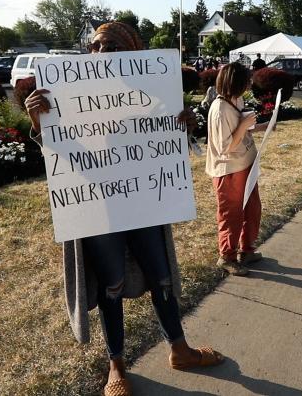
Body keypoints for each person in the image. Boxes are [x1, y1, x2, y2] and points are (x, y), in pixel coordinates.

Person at [24, 22, 223, 396]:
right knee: (110, 283)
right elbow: (63, 151)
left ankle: (179, 349)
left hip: (142, 201)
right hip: (98, 205)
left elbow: (167, 145)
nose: (102, 53)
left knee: (161, 275)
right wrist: (41, 121)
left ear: (132, 51)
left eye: (113, 46)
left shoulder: (154, 93)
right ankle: (116, 366)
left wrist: (184, 124)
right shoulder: (69, 92)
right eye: (97, 46)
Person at [206, 62, 270, 276]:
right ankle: (227, 256)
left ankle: (247, 250)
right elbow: (226, 147)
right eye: (247, 81)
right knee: (231, 214)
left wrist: (262, 126)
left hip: (246, 164)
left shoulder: (236, 99)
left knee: (252, 209)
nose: (250, 84)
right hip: (229, 170)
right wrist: (244, 126)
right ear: (235, 83)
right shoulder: (220, 109)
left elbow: (241, 127)